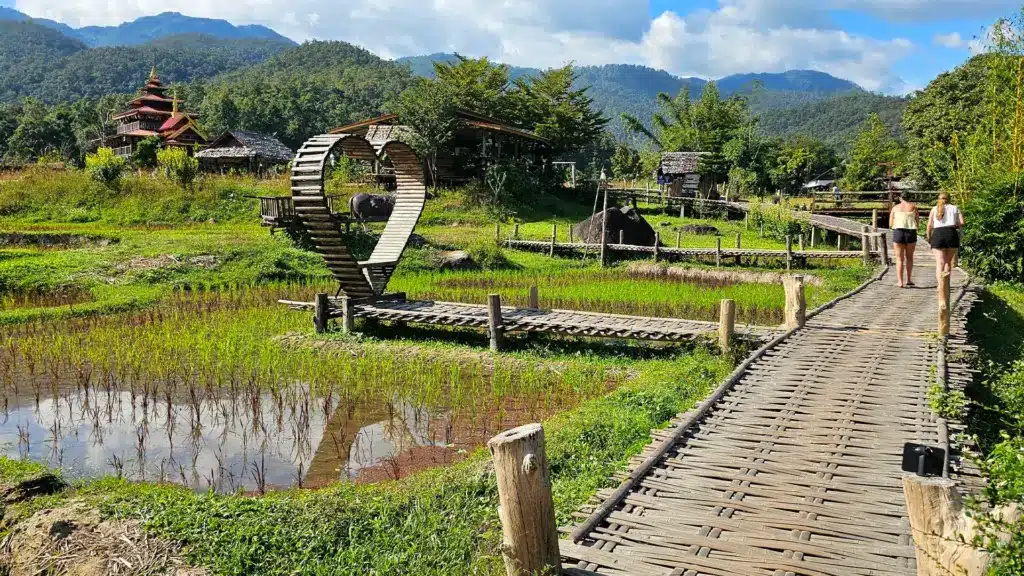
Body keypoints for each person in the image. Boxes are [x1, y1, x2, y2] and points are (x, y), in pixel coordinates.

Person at [926, 192, 965, 284]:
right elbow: (962, 222)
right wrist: (955, 224)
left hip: (938, 234)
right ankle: (946, 285)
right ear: (949, 199)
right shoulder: (955, 208)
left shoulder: (934, 209)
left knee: (940, 263)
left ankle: (940, 285)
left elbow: (929, 225)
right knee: (948, 262)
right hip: (951, 233)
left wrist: (929, 237)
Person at [889, 193, 919, 288]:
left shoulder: (895, 208)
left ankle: (900, 282)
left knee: (899, 258)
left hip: (898, 231)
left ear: (900, 198)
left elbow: (890, 223)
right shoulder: (914, 207)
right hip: (910, 231)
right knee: (909, 257)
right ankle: (909, 279)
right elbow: (917, 221)